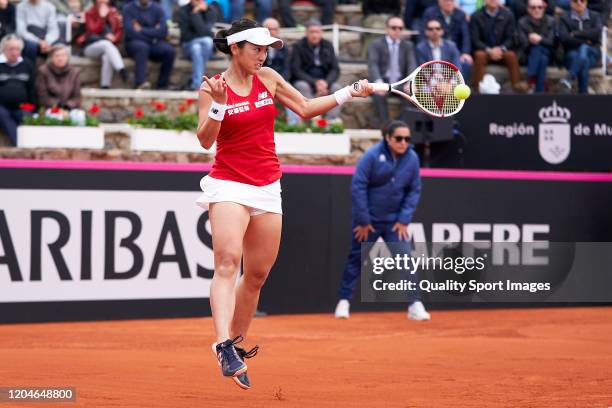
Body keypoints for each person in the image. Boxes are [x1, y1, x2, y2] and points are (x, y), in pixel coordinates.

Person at [195, 18, 372, 390]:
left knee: (257, 275)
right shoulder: (213, 87)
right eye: (256, 48)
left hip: (267, 186)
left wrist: (348, 92)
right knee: (227, 262)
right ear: (235, 48)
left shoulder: (270, 78)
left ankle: (236, 345)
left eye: (266, 49)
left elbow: (305, 108)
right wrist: (219, 107)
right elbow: (204, 141)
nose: (263, 55)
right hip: (228, 184)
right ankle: (222, 344)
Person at [334, 120, 429, 321]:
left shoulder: (412, 158)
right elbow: (358, 186)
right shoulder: (371, 156)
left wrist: (404, 219)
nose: (404, 142)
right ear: (388, 138)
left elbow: (414, 190)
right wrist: (364, 219)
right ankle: (343, 302)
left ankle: (415, 304)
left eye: (407, 139)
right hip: (368, 223)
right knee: (356, 259)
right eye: (399, 138)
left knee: (405, 261)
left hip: (395, 222)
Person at [367, 16, 416, 128]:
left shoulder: (408, 45)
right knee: (378, 96)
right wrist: (378, 81)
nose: (397, 30)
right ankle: (386, 126)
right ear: (386, 29)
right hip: (383, 81)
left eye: (400, 28)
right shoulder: (376, 44)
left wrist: (409, 82)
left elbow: (411, 64)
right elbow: (373, 64)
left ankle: (401, 126)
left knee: (411, 94)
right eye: (394, 27)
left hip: (400, 82)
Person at [290, 19, 343, 122]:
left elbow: (335, 69)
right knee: (302, 86)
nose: (314, 35)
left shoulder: (328, 45)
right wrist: (315, 83)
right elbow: (296, 70)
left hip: (325, 80)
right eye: (312, 32)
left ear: (321, 33)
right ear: (306, 33)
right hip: (306, 80)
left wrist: (326, 83)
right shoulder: (298, 46)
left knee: (337, 88)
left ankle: (330, 120)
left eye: (317, 32)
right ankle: (313, 118)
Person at [470, 0, 528, 92]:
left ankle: (517, 90)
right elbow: (475, 40)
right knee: (479, 56)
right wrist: (489, 50)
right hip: (485, 50)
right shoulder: (476, 16)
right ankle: (477, 91)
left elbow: (511, 38)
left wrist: (501, 49)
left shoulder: (508, 14)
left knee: (512, 56)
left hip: (502, 51)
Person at [123, 0, 176, 89]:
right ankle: (140, 82)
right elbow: (130, 32)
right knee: (142, 47)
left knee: (170, 51)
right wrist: (153, 32)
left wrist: (141, 30)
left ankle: (162, 84)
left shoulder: (158, 9)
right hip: (134, 43)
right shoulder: (128, 9)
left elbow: (163, 31)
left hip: (153, 43)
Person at [77, 0, 127, 89]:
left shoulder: (114, 12)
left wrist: (115, 38)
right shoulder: (90, 12)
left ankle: (105, 85)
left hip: (110, 48)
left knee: (107, 55)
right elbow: (92, 30)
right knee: (106, 44)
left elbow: (119, 30)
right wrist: (102, 17)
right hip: (91, 46)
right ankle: (121, 69)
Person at [558, 0, 603, 93]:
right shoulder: (564, 18)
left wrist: (575, 34)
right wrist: (584, 41)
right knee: (584, 59)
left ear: (586, 2)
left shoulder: (595, 16)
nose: (579, 3)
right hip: (571, 53)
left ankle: (569, 79)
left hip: (593, 53)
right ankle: (583, 95)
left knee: (584, 49)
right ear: (571, 3)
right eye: (575, 1)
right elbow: (564, 38)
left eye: (582, 0)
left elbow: (596, 34)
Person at [422, 0, 472, 82]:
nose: (449, 3)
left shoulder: (461, 14)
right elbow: (424, 33)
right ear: (439, 2)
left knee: (465, 63)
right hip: (434, 47)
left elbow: (465, 35)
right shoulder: (430, 13)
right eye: (446, 1)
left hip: (455, 50)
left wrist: (465, 52)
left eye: (451, 1)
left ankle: (460, 91)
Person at [0, 34, 36, 146]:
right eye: (11, 49)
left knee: (27, 116)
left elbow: (32, 88)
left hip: (22, 105)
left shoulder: (27, 65)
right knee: (2, 115)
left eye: (17, 49)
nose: (14, 52)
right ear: (3, 50)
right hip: (1, 106)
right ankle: (19, 145)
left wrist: (33, 108)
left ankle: (24, 145)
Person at [516, 0, 555, 92]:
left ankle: (529, 79)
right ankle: (540, 93)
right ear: (528, 9)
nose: (536, 10)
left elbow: (552, 42)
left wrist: (540, 39)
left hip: (550, 55)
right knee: (542, 58)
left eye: (539, 7)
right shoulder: (522, 22)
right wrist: (531, 41)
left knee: (540, 51)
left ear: (544, 8)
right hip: (527, 55)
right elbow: (523, 44)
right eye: (533, 7)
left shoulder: (551, 21)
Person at [177, 0, 217, 90]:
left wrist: (195, 15)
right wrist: (195, 13)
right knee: (198, 45)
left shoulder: (210, 11)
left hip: (205, 47)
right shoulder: (182, 11)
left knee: (205, 43)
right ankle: (198, 84)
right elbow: (186, 36)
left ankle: (196, 84)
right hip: (187, 46)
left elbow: (205, 32)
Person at [36, 44, 81, 109]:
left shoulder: (74, 72)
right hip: (49, 107)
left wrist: (67, 106)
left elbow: (77, 97)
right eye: (57, 56)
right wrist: (58, 105)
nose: (60, 58)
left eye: (63, 55)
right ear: (51, 58)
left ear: (67, 57)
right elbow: (42, 96)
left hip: (69, 108)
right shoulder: (43, 71)